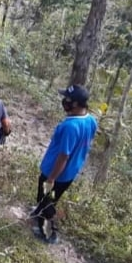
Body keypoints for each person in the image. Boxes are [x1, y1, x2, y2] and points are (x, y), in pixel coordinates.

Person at [31, 84, 97, 244]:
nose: (64, 101)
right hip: (70, 173)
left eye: (67, 99)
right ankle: (38, 213)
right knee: (49, 199)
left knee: (47, 200)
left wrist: (51, 178)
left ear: (74, 103)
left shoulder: (70, 126)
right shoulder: (91, 120)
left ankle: (48, 233)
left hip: (55, 172)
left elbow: (63, 156)